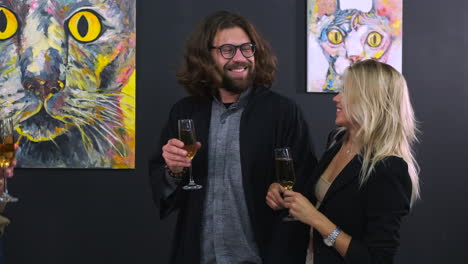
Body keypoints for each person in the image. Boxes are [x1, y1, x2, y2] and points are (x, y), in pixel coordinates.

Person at [148, 10, 317, 264]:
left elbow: (304, 180)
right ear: (206, 56)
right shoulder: (186, 112)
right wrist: (173, 171)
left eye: (247, 49)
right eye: (227, 50)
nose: (240, 58)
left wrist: (281, 191)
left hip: (263, 257)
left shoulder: (282, 112)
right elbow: (164, 186)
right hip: (199, 255)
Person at [266, 59, 420, 263]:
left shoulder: (389, 169)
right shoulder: (338, 139)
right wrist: (284, 194)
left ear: (368, 100)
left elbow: (377, 259)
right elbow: (323, 198)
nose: (336, 99)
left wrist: (315, 218)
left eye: (345, 92)